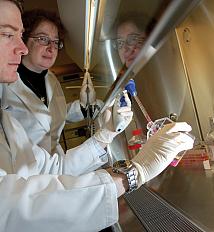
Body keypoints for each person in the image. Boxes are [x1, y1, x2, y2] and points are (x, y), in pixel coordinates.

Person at [0, 1, 194, 231]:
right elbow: (13, 207)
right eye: (6, 34)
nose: (21, 47)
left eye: (55, 42)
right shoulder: (9, 88)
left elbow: (52, 168)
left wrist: (104, 132)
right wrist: (132, 174)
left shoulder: (43, 87)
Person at [4, 9, 103, 157]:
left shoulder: (50, 78)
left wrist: (83, 107)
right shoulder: (5, 83)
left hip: (55, 164)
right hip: (20, 172)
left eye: (56, 42)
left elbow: (50, 116)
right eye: (43, 39)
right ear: (24, 40)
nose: (51, 48)